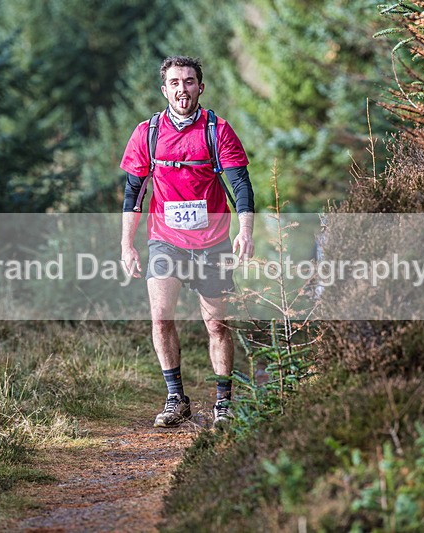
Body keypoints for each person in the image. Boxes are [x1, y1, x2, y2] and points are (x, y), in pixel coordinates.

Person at [119, 55, 255, 428]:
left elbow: (240, 185)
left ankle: (223, 402)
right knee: (161, 317)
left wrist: (245, 230)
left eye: (189, 81)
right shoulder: (147, 133)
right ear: (165, 90)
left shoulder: (217, 130)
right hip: (165, 240)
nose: (183, 89)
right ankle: (176, 399)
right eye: (175, 83)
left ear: (200, 87)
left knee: (217, 325)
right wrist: (127, 245)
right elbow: (133, 193)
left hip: (212, 242)